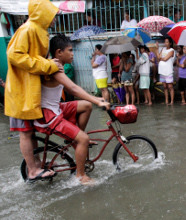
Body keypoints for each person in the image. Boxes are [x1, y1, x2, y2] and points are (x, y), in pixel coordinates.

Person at [35, 34, 109, 185]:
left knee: (86, 105)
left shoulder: (57, 65)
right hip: (48, 115)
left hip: (57, 108)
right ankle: (80, 176)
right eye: (70, 50)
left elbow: (76, 91)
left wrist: (94, 100)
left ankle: (74, 139)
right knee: (84, 138)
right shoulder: (53, 67)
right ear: (59, 52)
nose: (73, 53)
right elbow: (73, 89)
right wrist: (97, 100)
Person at [5, 0, 62, 182]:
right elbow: (14, 55)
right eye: (52, 14)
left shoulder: (40, 31)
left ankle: (37, 166)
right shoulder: (28, 29)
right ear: (42, 13)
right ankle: (32, 170)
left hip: (31, 91)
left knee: (30, 132)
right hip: (21, 92)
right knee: (25, 132)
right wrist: (47, 65)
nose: (54, 19)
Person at [156, 38, 175, 105]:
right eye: (165, 42)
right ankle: (166, 101)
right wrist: (157, 49)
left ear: (170, 43)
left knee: (170, 87)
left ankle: (172, 101)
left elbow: (165, 58)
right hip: (162, 71)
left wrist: (161, 58)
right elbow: (158, 57)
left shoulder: (172, 50)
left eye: (167, 42)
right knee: (165, 87)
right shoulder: (163, 49)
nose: (165, 43)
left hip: (168, 71)